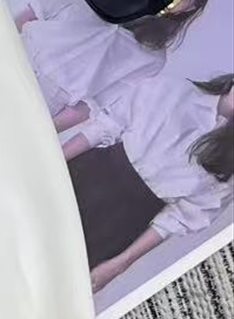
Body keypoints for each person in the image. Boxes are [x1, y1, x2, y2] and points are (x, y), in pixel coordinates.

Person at [62, 71, 234, 294]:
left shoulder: (230, 163)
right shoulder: (175, 89)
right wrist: (54, 159)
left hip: (120, 221)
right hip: (87, 174)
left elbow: (179, 218)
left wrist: (120, 264)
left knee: (57, 273)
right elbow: (106, 126)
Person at [13, 0, 211, 131]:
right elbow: (34, 11)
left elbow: (93, 103)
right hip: (18, 52)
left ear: (187, 10)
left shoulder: (152, 57)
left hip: (49, 97)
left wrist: (44, 130)